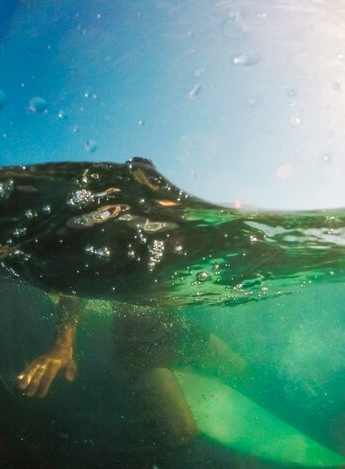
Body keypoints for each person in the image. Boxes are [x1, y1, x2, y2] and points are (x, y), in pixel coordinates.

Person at [16, 158, 246, 448]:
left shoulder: (174, 221)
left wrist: (234, 220)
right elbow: (73, 289)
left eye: (154, 183)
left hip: (179, 329)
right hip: (138, 347)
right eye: (136, 184)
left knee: (242, 369)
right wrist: (62, 346)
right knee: (181, 432)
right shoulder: (113, 234)